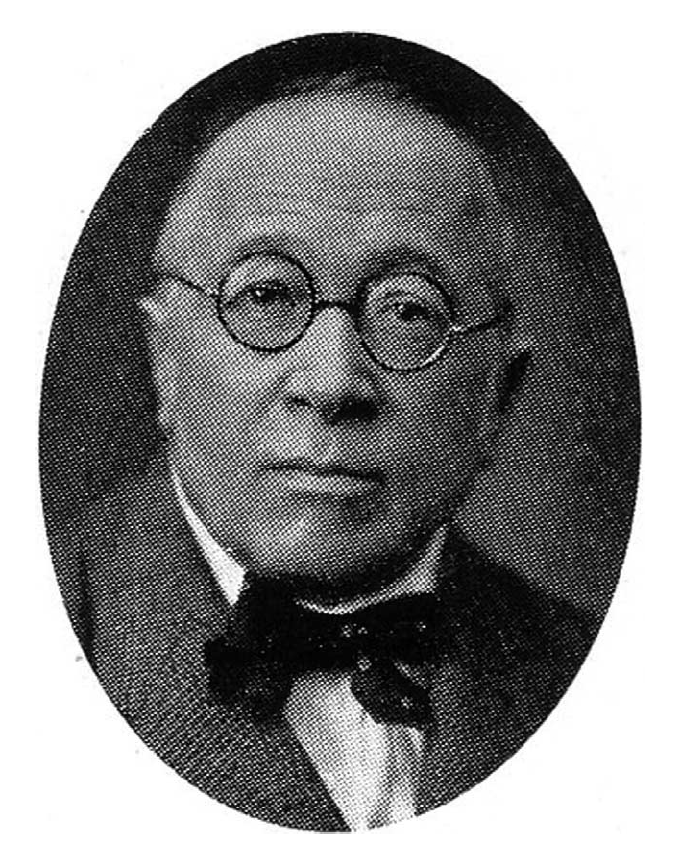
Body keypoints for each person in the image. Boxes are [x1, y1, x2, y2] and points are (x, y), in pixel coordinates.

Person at [47, 35, 599, 831]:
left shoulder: (595, 672)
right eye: (267, 296)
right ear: (164, 359)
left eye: (408, 310)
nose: (334, 382)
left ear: (497, 396)